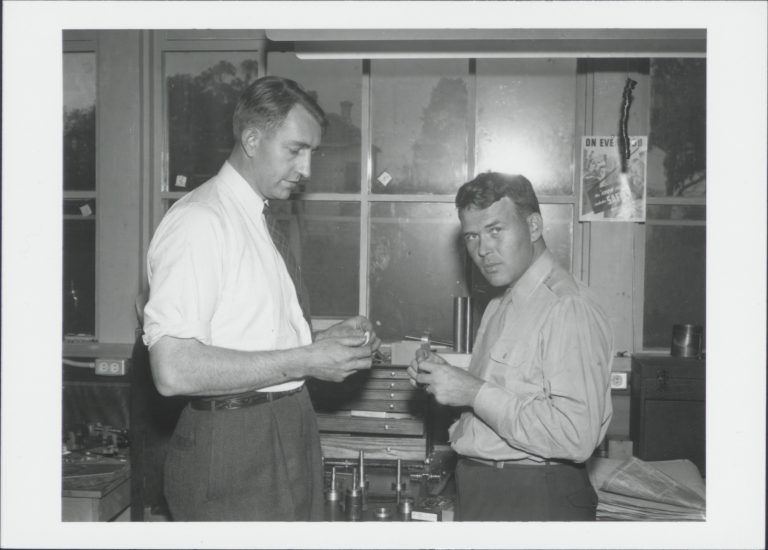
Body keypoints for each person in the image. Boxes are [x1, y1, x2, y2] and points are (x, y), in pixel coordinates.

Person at [143, 76, 380, 521]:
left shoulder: (257, 218)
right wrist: (306, 359)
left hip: (287, 426)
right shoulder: (200, 221)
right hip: (234, 442)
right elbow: (173, 369)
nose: (306, 170)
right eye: (295, 150)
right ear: (251, 139)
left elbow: (251, 334)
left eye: (312, 153)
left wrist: (325, 343)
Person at [407, 172, 613, 521]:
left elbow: (576, 436)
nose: (482, 249)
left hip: (535, 496)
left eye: (495, 230)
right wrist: (442, 379)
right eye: (472, 236)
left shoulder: (566, 306)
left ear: (533, 227)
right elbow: (494, 403)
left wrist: (472, 391)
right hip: (485, 489)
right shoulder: (499, 305)